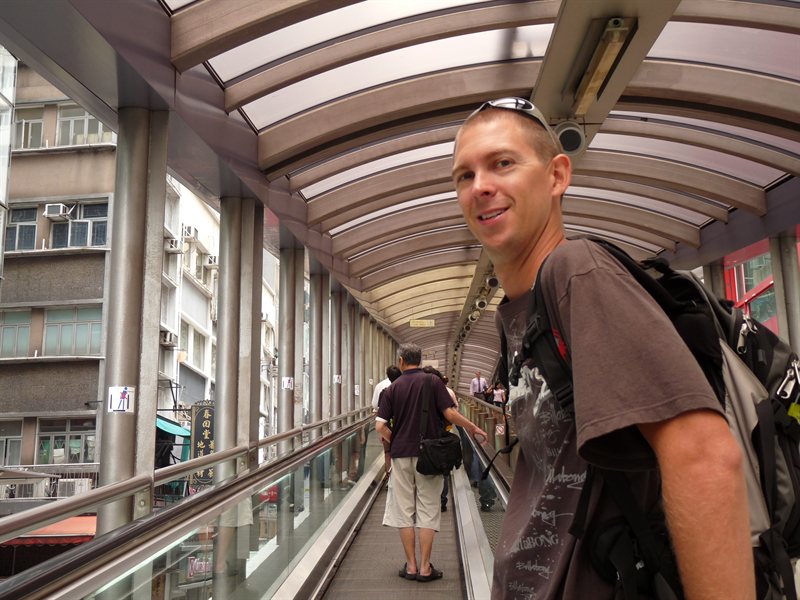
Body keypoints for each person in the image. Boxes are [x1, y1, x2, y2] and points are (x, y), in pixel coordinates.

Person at [451, 97, 753, 599]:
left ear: (556, 176)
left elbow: (704, 454)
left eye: (503, 163)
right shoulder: (523, 309)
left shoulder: (578, 273)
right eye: (464, 175)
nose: (480, 185)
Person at [376, 343, 487, 583]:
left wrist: (397, 441)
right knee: (428, 508)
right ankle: (426, 568)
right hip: (429, 456)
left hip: (400, 455)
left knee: (404, 510)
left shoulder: (392, 389)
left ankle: (412, 566)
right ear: (419, 359)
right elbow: (449, 414)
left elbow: (380, 426)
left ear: (402, 361)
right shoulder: (432, 382)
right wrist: (473, 427)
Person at [373, 365, 403, 474]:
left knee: (387, 451)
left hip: (387, 428)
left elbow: (380, 411)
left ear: (388, 377)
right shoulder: (406, 390)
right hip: (403, 427)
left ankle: (389, 475)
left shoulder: (384, 392)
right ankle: (400, 474)